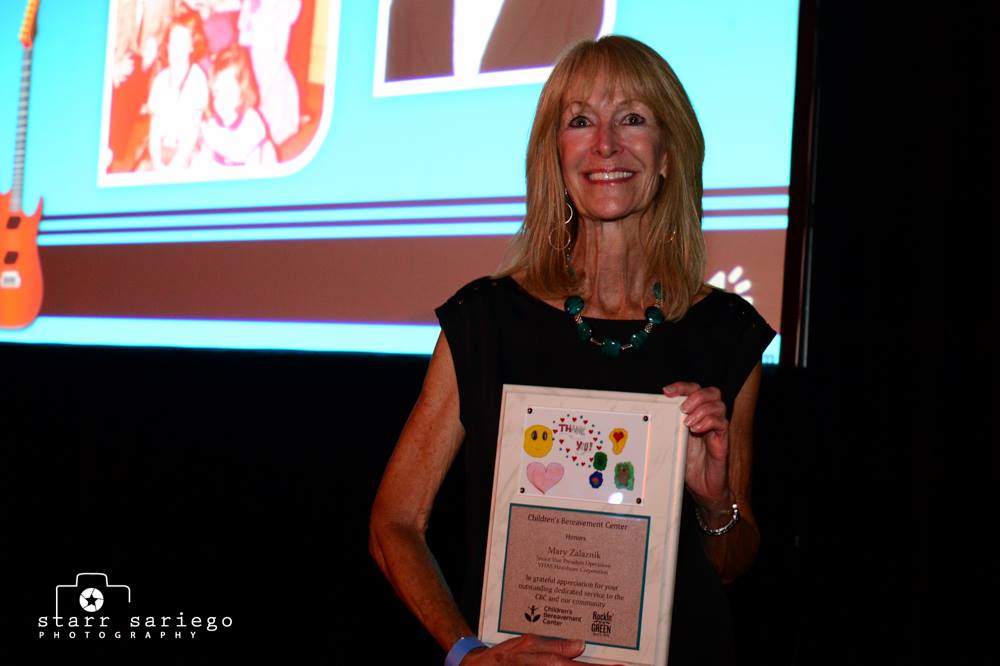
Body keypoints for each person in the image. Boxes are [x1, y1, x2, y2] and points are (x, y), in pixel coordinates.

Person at [370, 35, 775, 665]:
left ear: (667, 153)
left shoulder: (728, 333)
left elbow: (728, 564)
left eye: (633, 119)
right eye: (580, 120)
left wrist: (711, 501)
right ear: (555, 157)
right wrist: (467, 655)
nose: (606, 144)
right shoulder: (484, 322)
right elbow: (394, 522)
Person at [146, 9, 209, 170]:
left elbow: (191, 135)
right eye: (173, 44)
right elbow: (155, 129)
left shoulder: (197, 80)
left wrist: (174, 166)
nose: (177, 50)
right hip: (163, 149)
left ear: (192, 46)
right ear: (167, 46)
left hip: (188, 152)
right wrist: (157, 162)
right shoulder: (160, 80)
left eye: (183, 44)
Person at [194, 44, 276, 168]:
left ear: (242, 91)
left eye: (228, 92)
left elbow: (249, 161)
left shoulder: (252, 122)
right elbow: (206, 156)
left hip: (246, 171)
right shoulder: (212, 123)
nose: (222, 100)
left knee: (268, 151)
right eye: (217, 93)